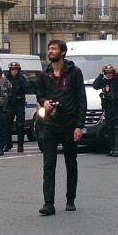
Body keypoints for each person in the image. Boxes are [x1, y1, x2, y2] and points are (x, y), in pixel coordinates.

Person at [35, 39, 86, 215]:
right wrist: (45, 102)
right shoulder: (44, 74)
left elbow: (81, 100)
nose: (50, 51)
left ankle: (70, 198)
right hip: (49, 124)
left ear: (62, 52)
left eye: (53, 49)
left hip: (70, 125)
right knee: (49, 164)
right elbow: (39, 95)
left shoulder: (74, 72)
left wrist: (80, 126)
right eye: (49, 49)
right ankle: (48, 203)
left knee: (70, 163)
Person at [93, 63, 118, 157]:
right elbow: (95, 85)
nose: (109, 74)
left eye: (110, 72)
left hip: (117, 107)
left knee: (117, 128)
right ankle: (112, 148)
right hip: (107, 107)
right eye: (107, 73)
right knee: (109, 128)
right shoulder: (103, 81)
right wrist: (100, 74)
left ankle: (117, 149)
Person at [4, 61, 33, 153]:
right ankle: (8, 144)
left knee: (20, 125)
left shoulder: (22, 78)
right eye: (12, 70)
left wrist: (23, 84)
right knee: (7, 125)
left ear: (18, 70)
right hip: (9, 104)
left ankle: (20, 145)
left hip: (19, 104)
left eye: (15, 70)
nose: (13, 71)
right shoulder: (7, 79)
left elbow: (28, 88)